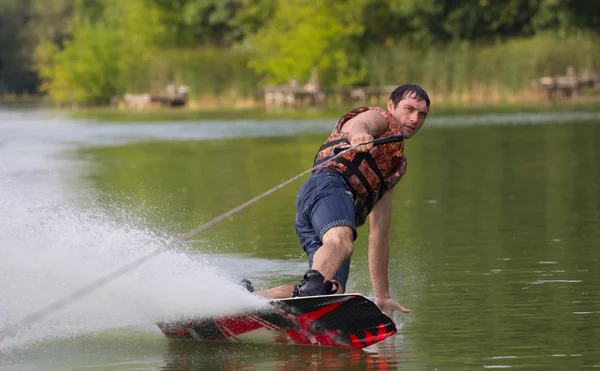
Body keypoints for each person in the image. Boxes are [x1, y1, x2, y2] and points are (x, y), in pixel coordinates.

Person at [253, 84, 430, 319]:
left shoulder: (393, 165)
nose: (415, 118)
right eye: (409, 109)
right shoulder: (380, 119)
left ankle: (247, 301)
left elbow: (379, 236)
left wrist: (383, 295)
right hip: (326, 188)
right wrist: (359, 133)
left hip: (324, 212)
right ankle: (307, 305)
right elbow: (360, 124)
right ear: (391, 105)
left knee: (332, 292)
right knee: (342, 244)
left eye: (422, 114)